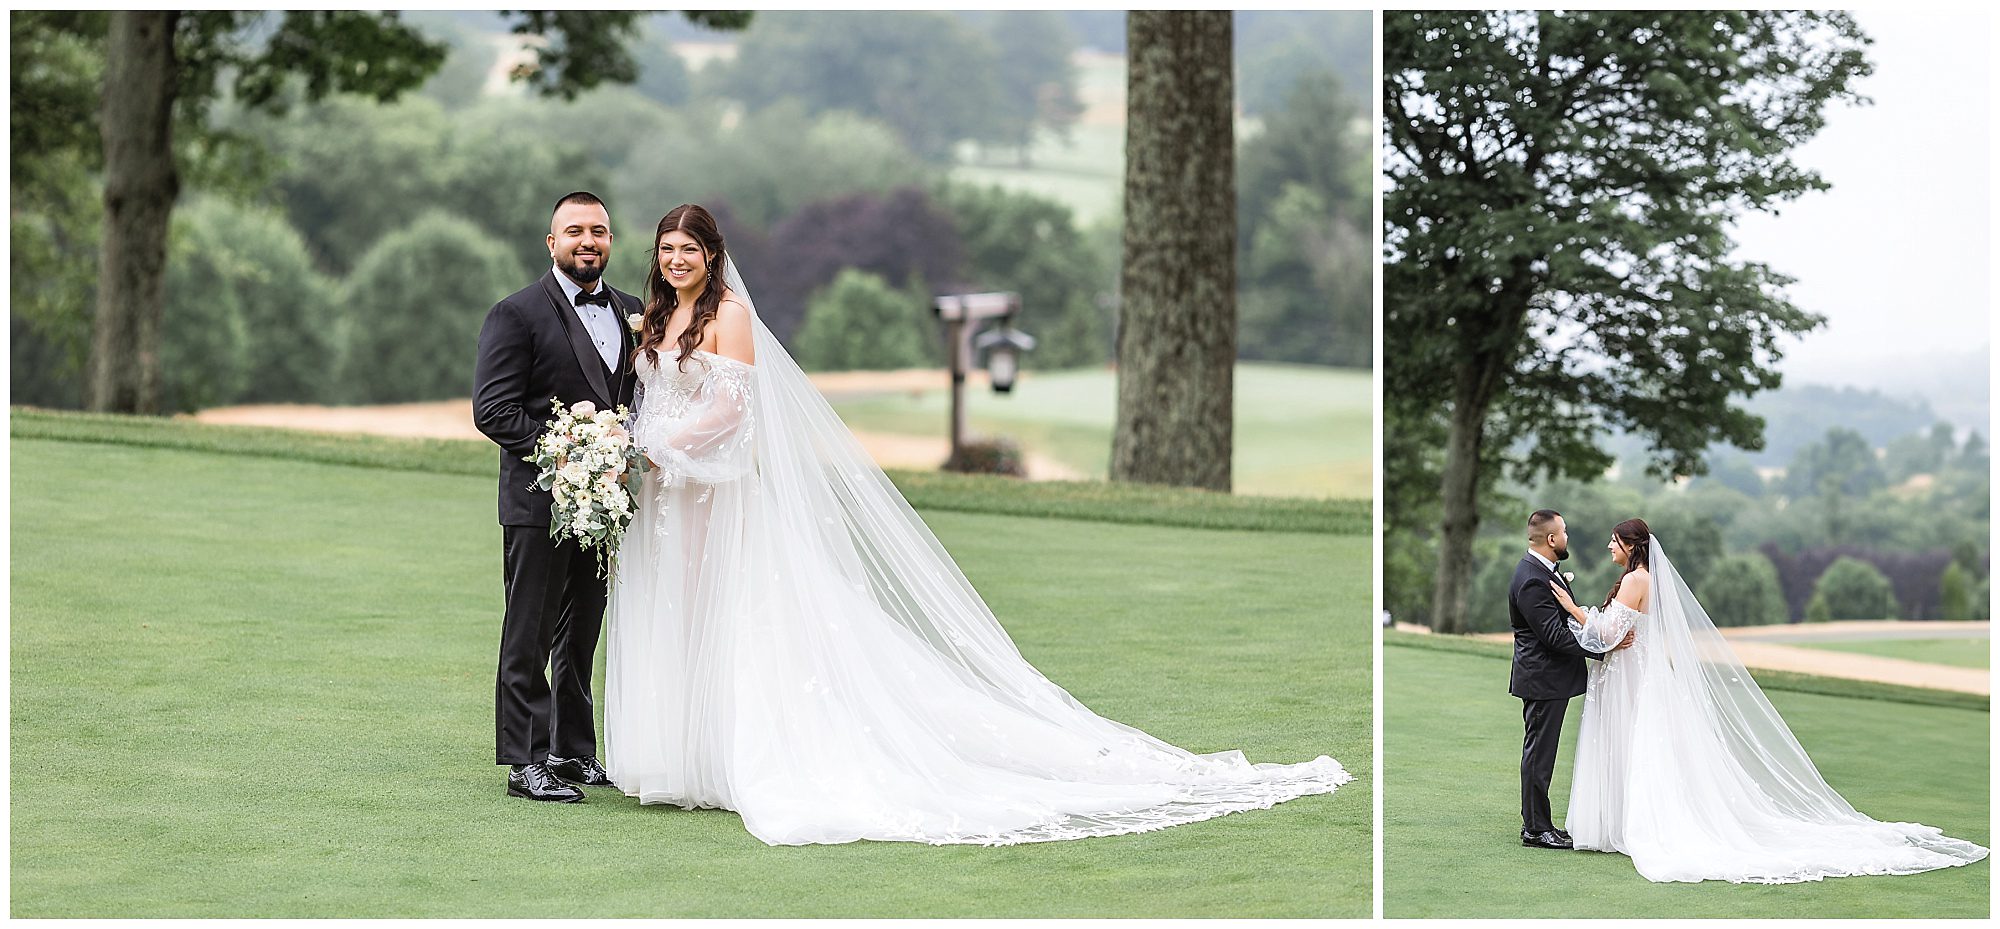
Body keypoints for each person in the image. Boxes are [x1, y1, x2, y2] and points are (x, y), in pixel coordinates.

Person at [601, 204, 1352, 845]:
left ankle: (735, 757)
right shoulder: (659, 315)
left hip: (715, 491)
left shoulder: (731, 315)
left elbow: (733, 409)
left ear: (711, 255)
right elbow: (655, 396)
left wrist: (657, 446)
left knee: (732, 618)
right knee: (679, 611)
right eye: (666, 250)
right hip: (666, 499)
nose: (675, 261)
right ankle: (681, 758)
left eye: (688, 250)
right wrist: (629, 448)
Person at [1549, 518, 1988, 883]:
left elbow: (1606, 636)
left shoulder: (1635, 580)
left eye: (1614, 540)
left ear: (1630, 545)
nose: (1609, 545)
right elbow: (1615, 634)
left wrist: (1573, 609)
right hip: (1630, 675)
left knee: (1636, 746)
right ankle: (1623, 822)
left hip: (1631, 679)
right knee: (1634, 747)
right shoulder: (1638, 579)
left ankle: (1635, 825)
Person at [472, 191, 641, 802]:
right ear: (552, 243)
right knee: (530, 631)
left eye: (598, 231)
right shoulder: (514, 315)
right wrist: (568, 448)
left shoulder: (630, 311)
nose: (587, 241)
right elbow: (493, 411)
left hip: (604, 506)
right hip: (539, 501)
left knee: (580, 632)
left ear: (611, 241)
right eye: (574, 231)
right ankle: (525, 761)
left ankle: (573, 749)